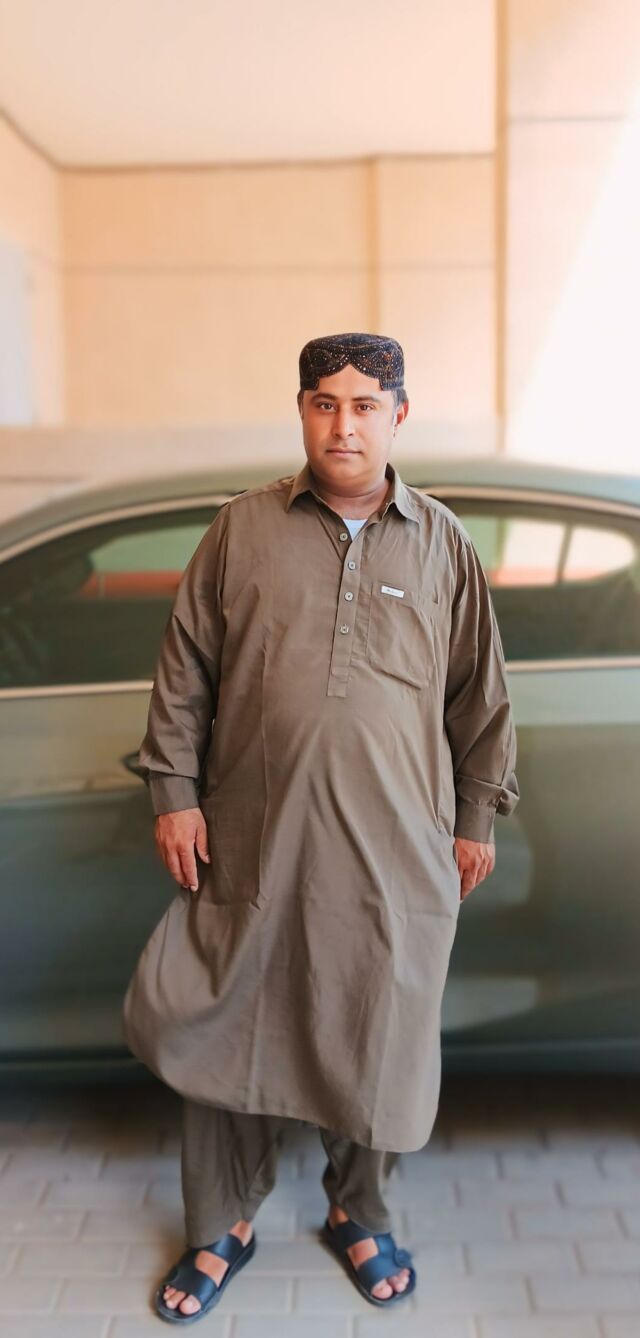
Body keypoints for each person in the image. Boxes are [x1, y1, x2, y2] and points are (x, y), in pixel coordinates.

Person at [123, 331, 520, 1322]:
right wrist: (174, 793)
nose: (344, 425)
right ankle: (220, 1224)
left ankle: (360, 1211)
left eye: (364, 405)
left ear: (398, 414)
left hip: (395, 851)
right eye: (324, 403)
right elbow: (185, 671)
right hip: (252, 841)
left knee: (377, 1030)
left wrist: (475, 815)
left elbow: (480, 696)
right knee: (228, 1023)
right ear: (302, 410)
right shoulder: (241, 529)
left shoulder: (442, 542)